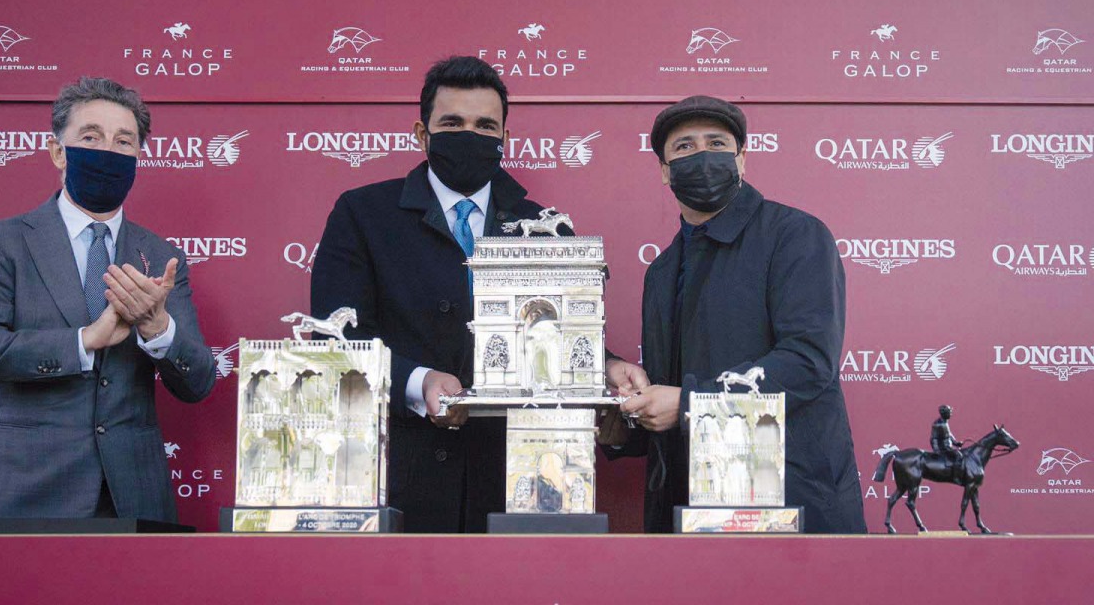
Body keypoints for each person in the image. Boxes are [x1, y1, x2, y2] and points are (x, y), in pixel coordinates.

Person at [311, 55, 643, 532]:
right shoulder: (364, 214)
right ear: (422, 134)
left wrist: (607, 366)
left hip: (520, 477)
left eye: (486, 125)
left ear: (505, 138)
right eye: (452, 122)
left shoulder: (547, 227)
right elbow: (336, 335)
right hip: (402, 476)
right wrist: (418, 381)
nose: (470, 135)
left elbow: (558, 327)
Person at [0, 77, 215, 521]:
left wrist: (158, 330)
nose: (107, 151)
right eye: (91, 137)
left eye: (123, 141)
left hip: (129, 498)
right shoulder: (1, 243)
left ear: (139, 158)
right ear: (57, 152)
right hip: (19, 492)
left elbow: (199, 381)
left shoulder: (162, 257)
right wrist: (84, 340)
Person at [602, 95, 866, 534]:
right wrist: (626, 427)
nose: (702, 156)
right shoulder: (663, 271)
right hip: (685, 514)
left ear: (742, 159)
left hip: (788, 505)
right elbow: (672, 386)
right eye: (684, 147)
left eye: (717, 144)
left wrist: (689, 404)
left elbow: (808, 361)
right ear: (665, 171)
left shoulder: (796, 235)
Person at [930, 405, 964, 476]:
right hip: (945, 448)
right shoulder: (937, 424)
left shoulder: (945, 422)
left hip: (949, 446)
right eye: (949, 412)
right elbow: (934, 438)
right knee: (959, 456)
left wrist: (956, 443)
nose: (951, 414)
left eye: (950, 412)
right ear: (944, 414)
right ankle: (956, 476)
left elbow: (949, 435)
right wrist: (936, 450)